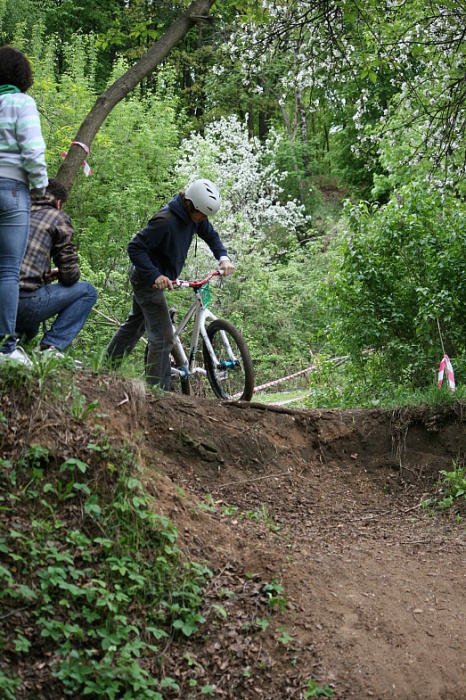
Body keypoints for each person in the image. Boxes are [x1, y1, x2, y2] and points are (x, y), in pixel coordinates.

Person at [106, 179, 235, 390]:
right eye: (201, 214)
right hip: (147, 281)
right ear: (189, 204)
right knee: (164, 337)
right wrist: (155, 275)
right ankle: (158, 392)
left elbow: (211, 235)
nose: (203, 220)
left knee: (135, 325)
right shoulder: (165, 221)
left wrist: (223, 258)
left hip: (156, 278)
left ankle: (106, 366)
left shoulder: (194, 217)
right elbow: (135, 247)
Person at [0, 45, 48, 367]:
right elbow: (32, 150)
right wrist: (41, 186)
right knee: (7, 271)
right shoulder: (22, 102)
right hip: (13, 191)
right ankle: (5, 348)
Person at [15, 178, 97, 358]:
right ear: (58, 203)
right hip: (24, 303)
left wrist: (43, 277)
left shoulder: (14, 212)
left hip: (4, 300)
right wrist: (62, 273)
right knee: (88, 291)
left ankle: (12, 340)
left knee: (31, 329)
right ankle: (50, 347)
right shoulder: (57, 217)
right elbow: (70, 275)